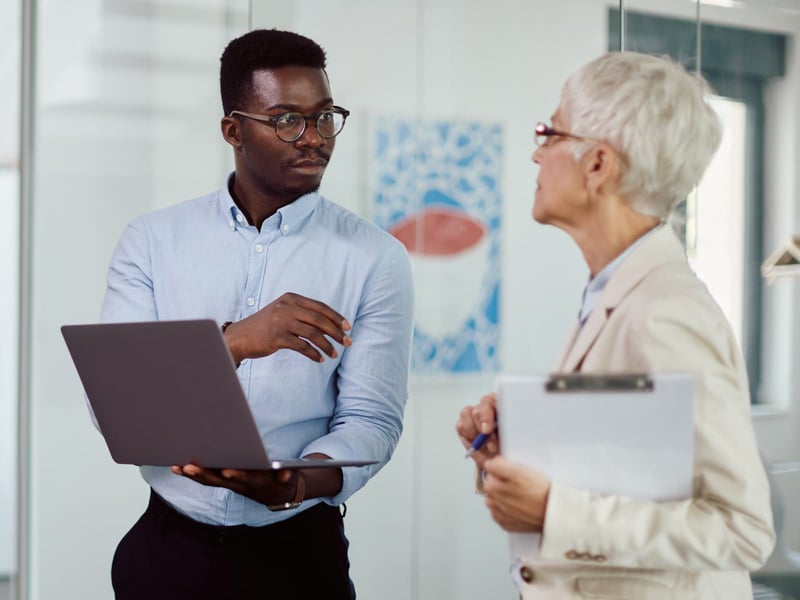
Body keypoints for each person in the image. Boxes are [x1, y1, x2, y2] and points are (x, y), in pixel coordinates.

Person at [98, 28, 414, 599]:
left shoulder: (376, 257)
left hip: (298, 558)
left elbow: (372, 422)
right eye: (288, 120)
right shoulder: (152, 241)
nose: (313, 138)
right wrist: (235, 341)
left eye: (325, 117)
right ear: (233, 130)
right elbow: (115, 410)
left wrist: (295, 482)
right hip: (166, 553)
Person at [456, 52, 775, 599]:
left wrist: (555, 509)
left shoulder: (666, 311)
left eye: (548, 132)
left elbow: (742, 530)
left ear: (598, 164)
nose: (536, 152)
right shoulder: (615, 291)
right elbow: (632, 476)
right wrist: (516, 451)